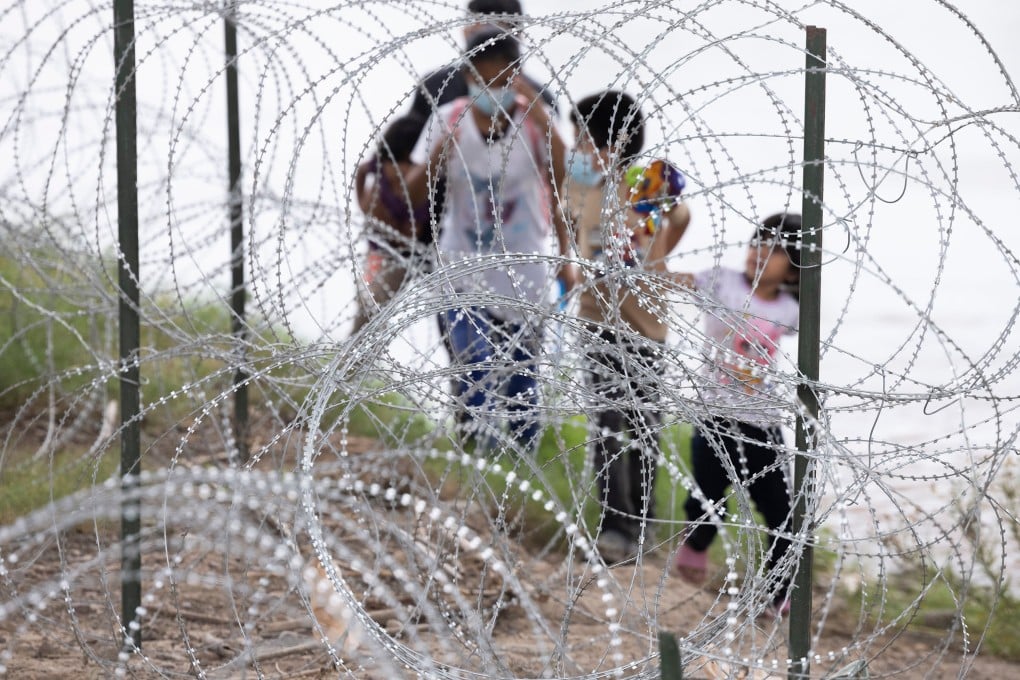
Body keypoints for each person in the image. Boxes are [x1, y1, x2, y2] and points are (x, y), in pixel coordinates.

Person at [406, 28, 574, 453]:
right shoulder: (449, 118)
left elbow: (563, 184)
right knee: (472, 364)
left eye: (502, 80)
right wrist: (438, 154)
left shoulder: (536, 126)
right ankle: (475, 457)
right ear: (468, 76)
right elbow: (413, 190)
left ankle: (520, 464)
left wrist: (567, 255)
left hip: (523, 268)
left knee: (522, 374)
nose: (492, 89)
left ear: (517, 76)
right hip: (462, 266)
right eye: (483, 80)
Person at [565, 90, 691, 563]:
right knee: (607, 424)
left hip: (646, 324)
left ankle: (643, 522)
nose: (576, 147)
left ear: (612, 143)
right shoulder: (580, 185)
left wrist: (656, 257)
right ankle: (615, 528)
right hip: (596, 319)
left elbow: (681, 217)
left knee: (643, 424)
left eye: (583, 137)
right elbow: (568, 227)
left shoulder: (648, 181)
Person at [670, 212, 803, 619]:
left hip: (762, 421)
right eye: (757, 241)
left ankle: (777, 593)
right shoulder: (719, 282)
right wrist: (658, 233)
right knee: (709, 498)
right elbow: (667, 278)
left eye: (775, 248)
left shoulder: (792, 309)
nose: (759, 252)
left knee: (781, 509)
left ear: (794, 266)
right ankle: (695, 545)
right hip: (714, 416)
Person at [350, 115, 431, 334]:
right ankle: (348, 362)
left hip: (404, 253)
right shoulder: (380, 174)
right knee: (369, 306)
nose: (401, 172)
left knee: (374, 313)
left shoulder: (421, 177)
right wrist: (363, 205)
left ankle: (350, 361)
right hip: (380, 251)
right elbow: (362, 172)